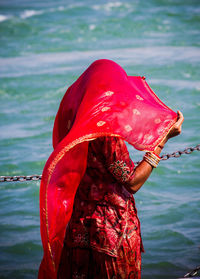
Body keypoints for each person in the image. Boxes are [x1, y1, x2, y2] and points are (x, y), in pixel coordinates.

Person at [38, 59, 184, 279]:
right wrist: (161, 142)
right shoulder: (105, 134)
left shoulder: (76, 122)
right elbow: (132, 181)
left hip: (79, 229)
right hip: (110, 234)